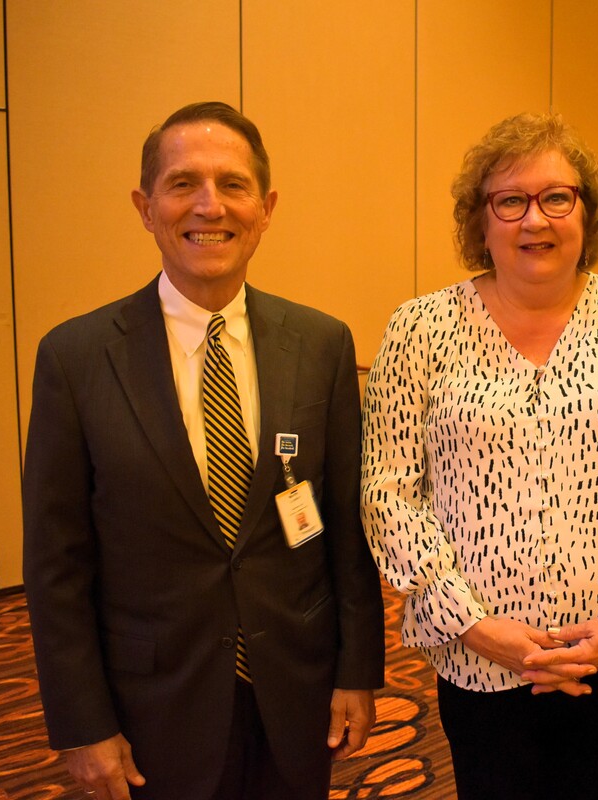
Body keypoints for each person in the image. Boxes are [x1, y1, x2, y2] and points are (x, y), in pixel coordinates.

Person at [22, 101, 385, 800]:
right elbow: (56, 563)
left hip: (296, 691)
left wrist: (355, 671)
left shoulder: (322, 346)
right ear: (145, 205)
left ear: (267, 206)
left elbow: (344, 529)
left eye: (233, 184)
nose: (209, 206)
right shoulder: (76, 359)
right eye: (183, 183)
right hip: (152, 704)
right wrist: (80, 721)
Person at [360, 111, 598, 800]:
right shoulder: (419, 329)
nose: (536, 220)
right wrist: (470, 622)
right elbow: (387, 493)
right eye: (511, 201)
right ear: (481, 219)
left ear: (587, 214)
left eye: (557, 198)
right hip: (481, 656)